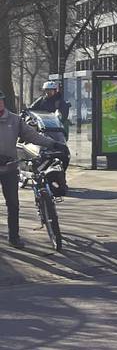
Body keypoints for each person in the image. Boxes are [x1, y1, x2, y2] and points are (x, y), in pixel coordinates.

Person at [0, 92, 60, 248]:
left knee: (13, 204)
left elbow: (32, 135)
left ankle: (14, 237)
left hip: (10, 168)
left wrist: (53, 144)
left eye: (1, 100)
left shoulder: (14, 120)